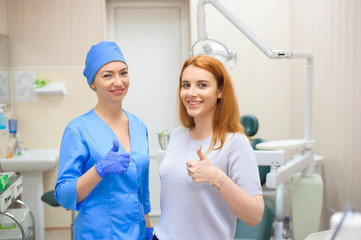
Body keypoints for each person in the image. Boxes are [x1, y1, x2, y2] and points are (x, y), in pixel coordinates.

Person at [154, 55, 264, 240]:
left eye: (202, 85)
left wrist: (216, 177)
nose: (191, 93)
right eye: (186, 85)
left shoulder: (235, 143)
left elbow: (254, 216)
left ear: (220, 90)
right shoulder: (177, 136)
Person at [55, 41, 153, 240]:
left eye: (123, 73)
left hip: (138, 233)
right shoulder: (77, 130)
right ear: (93, 82)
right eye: (107, 75)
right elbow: (63, 195)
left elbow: (142, 190)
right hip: (98, 234)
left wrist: (149, 231)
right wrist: (98, 170)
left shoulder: (139, 126)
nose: (118, 82)